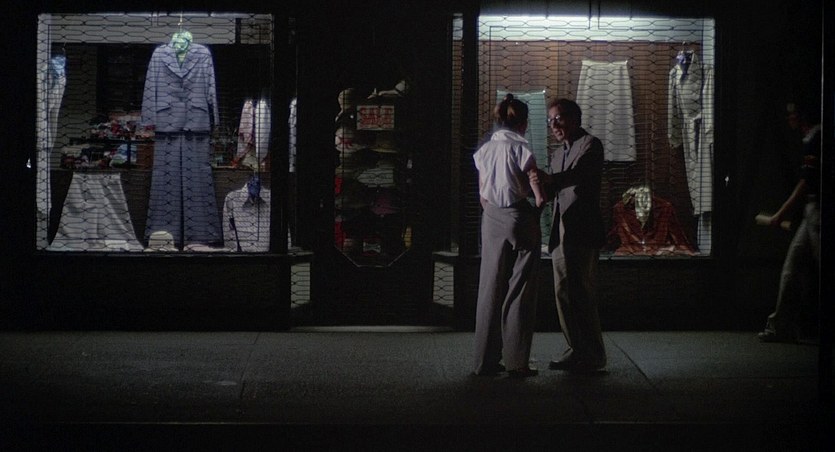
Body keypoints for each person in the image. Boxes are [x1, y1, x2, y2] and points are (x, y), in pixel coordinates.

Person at [530, 98, 607, 373]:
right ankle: (577, 348)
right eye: (550, 120)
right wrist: (533, 185)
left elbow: (579, 175)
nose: (553, 125)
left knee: (581, 292)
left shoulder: (591, 145)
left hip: (582, 230)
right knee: (563, 292)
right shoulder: (557, 154)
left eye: (558, 118)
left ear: (575, 118)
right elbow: (554, 191)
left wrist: (549, 179)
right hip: (561, 230)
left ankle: (594, 354)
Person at [472, 94, 544, 378]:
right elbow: (535, 185)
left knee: (489, 287)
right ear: (523, 124)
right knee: (520, 289)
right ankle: (517, 361)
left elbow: (482, 193)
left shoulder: (485, 150)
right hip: (519, 215)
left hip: (491, 216)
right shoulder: (521, 147)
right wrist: (538, 204)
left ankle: (484, 360)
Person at [757, 101, 821, 343]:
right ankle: (781, 326)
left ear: (802, 117)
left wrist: (780, 214)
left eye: (792, 114)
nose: (789, 119)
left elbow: (806, 182)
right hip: (811, 212)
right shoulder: (812, 139)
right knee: (792, 267)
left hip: (818, 212)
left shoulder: (816, 138)